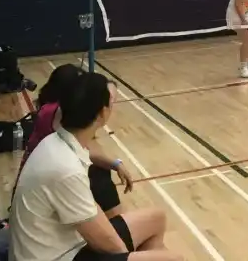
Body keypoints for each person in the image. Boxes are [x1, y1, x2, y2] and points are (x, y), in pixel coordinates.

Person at [10, 71, 182, 261]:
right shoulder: (65, 168)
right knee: (173, 259)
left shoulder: (59, 142)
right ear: (102, 114)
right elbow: (105, 243)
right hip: (58, 256)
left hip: (64, 246)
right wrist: (130, 255)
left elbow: (93, 215)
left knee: (156, 219)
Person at [14, 64, 134, 219]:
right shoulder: (60, 120)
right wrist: (115, 164)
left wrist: (115, 163)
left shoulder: (51, 111)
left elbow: (87, 148)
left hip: (29, 191)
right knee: (98, 174)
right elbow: (87, 152)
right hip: (35, 206)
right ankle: (117, 220)